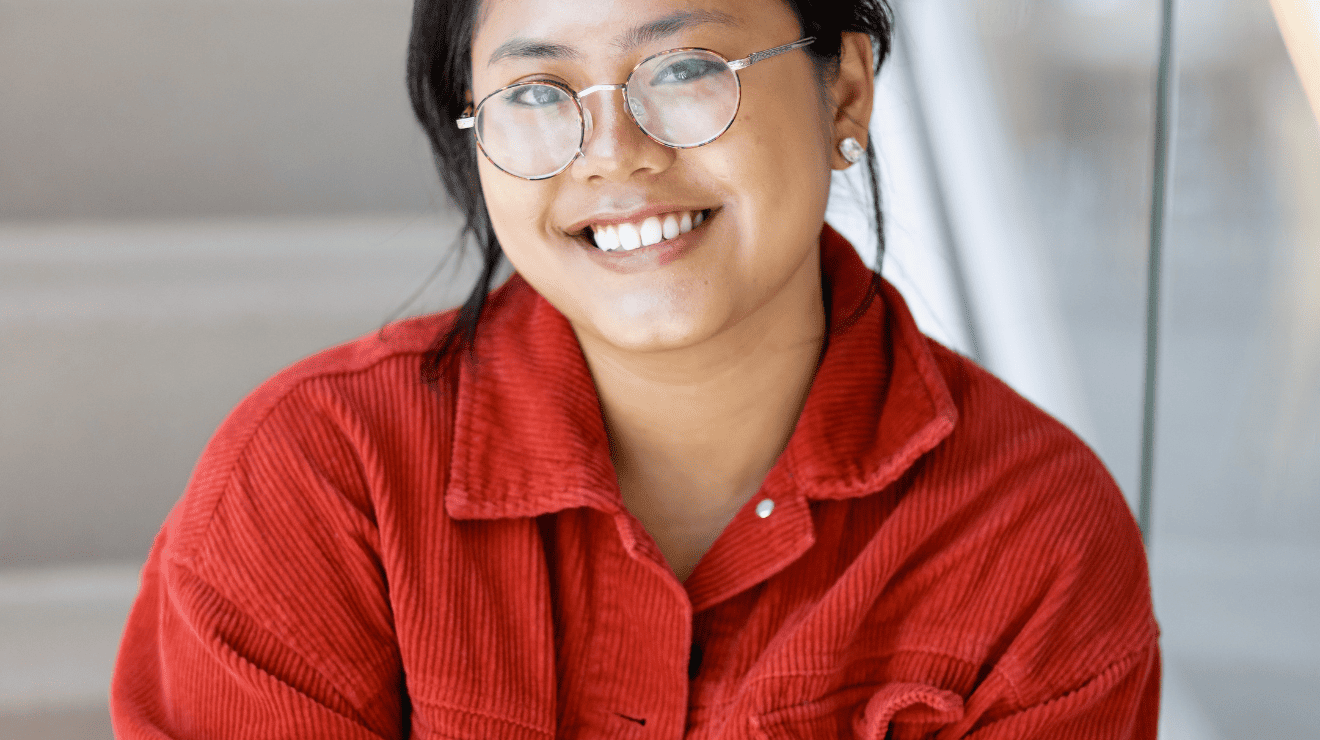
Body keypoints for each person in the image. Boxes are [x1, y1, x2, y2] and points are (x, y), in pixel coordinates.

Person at [111, 0, 1160, 737]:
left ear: (842, 90)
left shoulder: (1031, 537)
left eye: (686, 70)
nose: (613, 152)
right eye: (536, 90)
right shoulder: (317, 480)